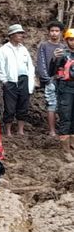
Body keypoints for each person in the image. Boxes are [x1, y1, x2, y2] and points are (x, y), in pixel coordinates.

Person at [0, 24, 35, 136]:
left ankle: (20, 130)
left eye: (21, 33)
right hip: (11, 81)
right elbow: (1, 66)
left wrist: (30, 80)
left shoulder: (23, 49)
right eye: (18, 33)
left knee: (23, 105)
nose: (21, 36)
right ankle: (8, 131)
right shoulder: (4, 49)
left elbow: (30, 66)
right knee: (9, 107)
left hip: (24, 80)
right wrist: (5, 81)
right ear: (12, 35)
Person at [36, 21, 65, 136]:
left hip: (62, 80)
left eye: (57, 31)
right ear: (48, 32)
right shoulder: (44, 46)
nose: (54, 33)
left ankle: (63, 129)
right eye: (52, 31)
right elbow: (41, 63)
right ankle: (52, 131)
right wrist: (46, 79)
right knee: (51, 104)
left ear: (61, 33)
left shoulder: (63, 47)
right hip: (50, 79)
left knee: (63, 105)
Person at [53, 29, 74, 161]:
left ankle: (72, 147)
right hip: (65, 89)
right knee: (65, 118)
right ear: (66, 40)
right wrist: (54, 59)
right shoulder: (62, 54)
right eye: (71, 40)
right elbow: (51, 71)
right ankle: (65, 150)